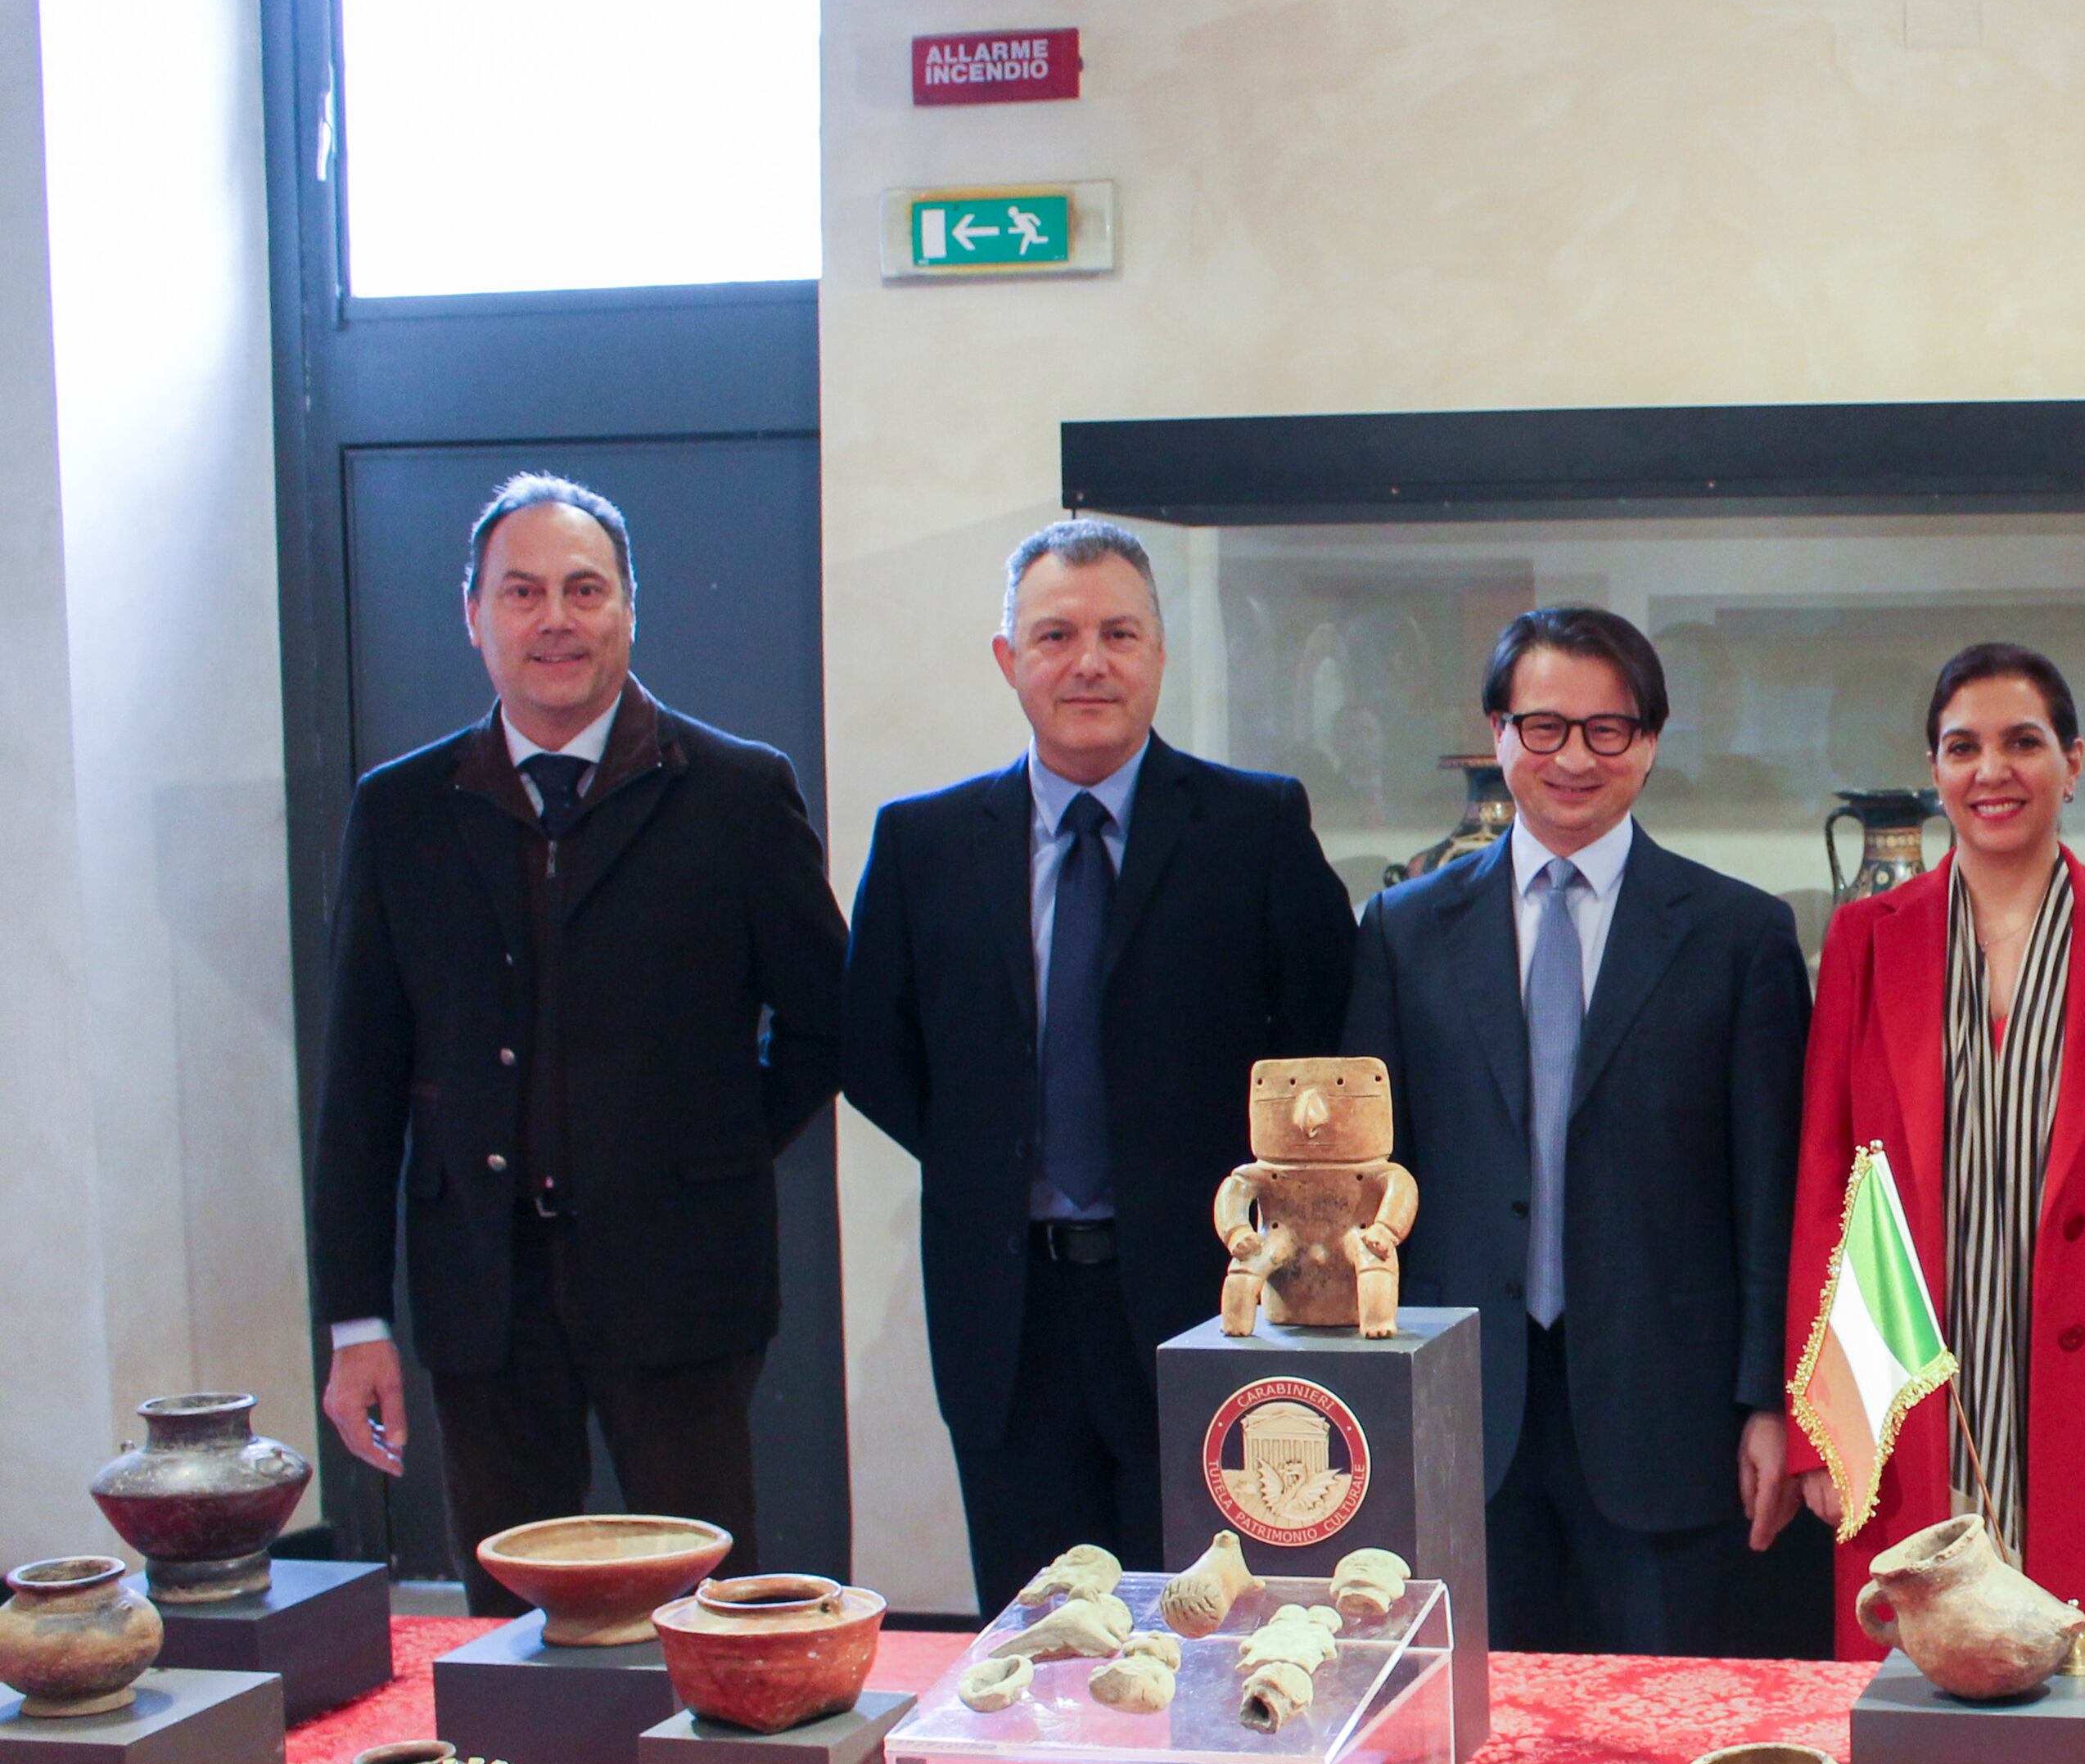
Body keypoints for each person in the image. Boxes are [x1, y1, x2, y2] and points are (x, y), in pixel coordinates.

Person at [312, 475, 844, 1597]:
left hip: (683, 1283)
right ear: (474, 616)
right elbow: (358, 1082)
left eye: (584, 589)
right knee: (510, 1621)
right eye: (522, 592)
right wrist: (355, 1320)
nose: (555, 618)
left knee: (709, 1608)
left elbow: (824, 1019)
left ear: (629, 610)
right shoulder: (400, 812)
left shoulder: (738, 793)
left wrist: (716, 1145)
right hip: (481, 1292)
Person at [841, 521, 1355, 1613]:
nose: (1089, 662)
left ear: (1159, 652)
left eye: (1119, 633)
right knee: (1037, 1631)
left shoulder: (1254, 826)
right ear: (1007, 658)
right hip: (1005, 1314)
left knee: (1214, 1621)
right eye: (1055, 635)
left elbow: (1325, 1041)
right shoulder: (924, 844)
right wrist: (994, 1156)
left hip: (1209, 1302)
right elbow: (876, 1054)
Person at [1347, 608, 1811, 1658]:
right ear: (1497, 733)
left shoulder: (1736, 937)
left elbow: (1770, 1193)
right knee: (1479, 1721)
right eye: (1544, 727)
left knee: (1662, 1718)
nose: (1572, 759)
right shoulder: (1405, 933)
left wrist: (1770, 1402)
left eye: (1607, 730)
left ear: (1649, 743)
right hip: (1460, 1405)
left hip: (1669, 1413)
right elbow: (1370, 1188)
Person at [1774, 643, 2085, 1658]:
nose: (1992, 771)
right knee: (1913, 1690)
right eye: (1962, 747)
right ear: (1933, 770)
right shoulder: (1864, 940)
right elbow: (1821, 1187)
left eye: (2022, 742)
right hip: (1908, 1388)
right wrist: (1816, 1420)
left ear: (2073, 761)